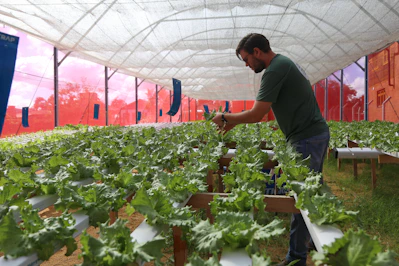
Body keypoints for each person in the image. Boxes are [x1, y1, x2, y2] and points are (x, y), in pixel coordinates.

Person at [212, 33, 330, 266]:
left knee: (302, 197)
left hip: (307, 137)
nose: (247, 65)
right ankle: (311, 244)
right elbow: (265, 111)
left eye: (247, 59)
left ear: (257, 52)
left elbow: (258, 114)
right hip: (308, 135)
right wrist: (234, 122)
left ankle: (297, 257)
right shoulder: (282, 63)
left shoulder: (275, 70)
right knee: (306, 193)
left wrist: (225, 116)